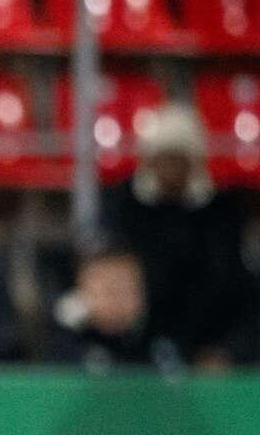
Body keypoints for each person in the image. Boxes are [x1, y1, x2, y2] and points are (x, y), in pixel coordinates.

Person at [98, 105, 252, 368]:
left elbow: (233, 286)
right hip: (133, 344)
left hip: (204, 344)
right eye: (163, 157)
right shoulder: (123, 205)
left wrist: (222, 347)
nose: (170, 167)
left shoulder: (221, 213)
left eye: (177, 158)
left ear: (194, 160)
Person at [52, 242, 182, 373]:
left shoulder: (163, 346)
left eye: (128, 289)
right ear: (82, 291)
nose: (118, 300)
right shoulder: (60, 348)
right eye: (109, 290)